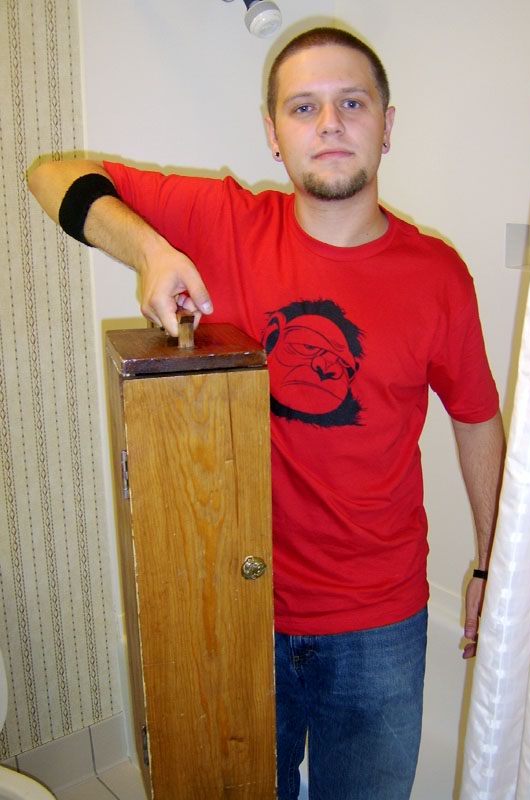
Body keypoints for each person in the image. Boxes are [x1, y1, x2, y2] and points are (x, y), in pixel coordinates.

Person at [28, 26, 505, 800]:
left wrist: (491, 560)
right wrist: (150, 251)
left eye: (352, 103)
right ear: (273, 134)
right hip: (238, 607)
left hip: (379, 622)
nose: (330, 124)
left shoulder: (438, 276)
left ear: (387, 124)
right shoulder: (227, 222)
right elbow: (51, 175)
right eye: (303, 107)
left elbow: (477, 417)